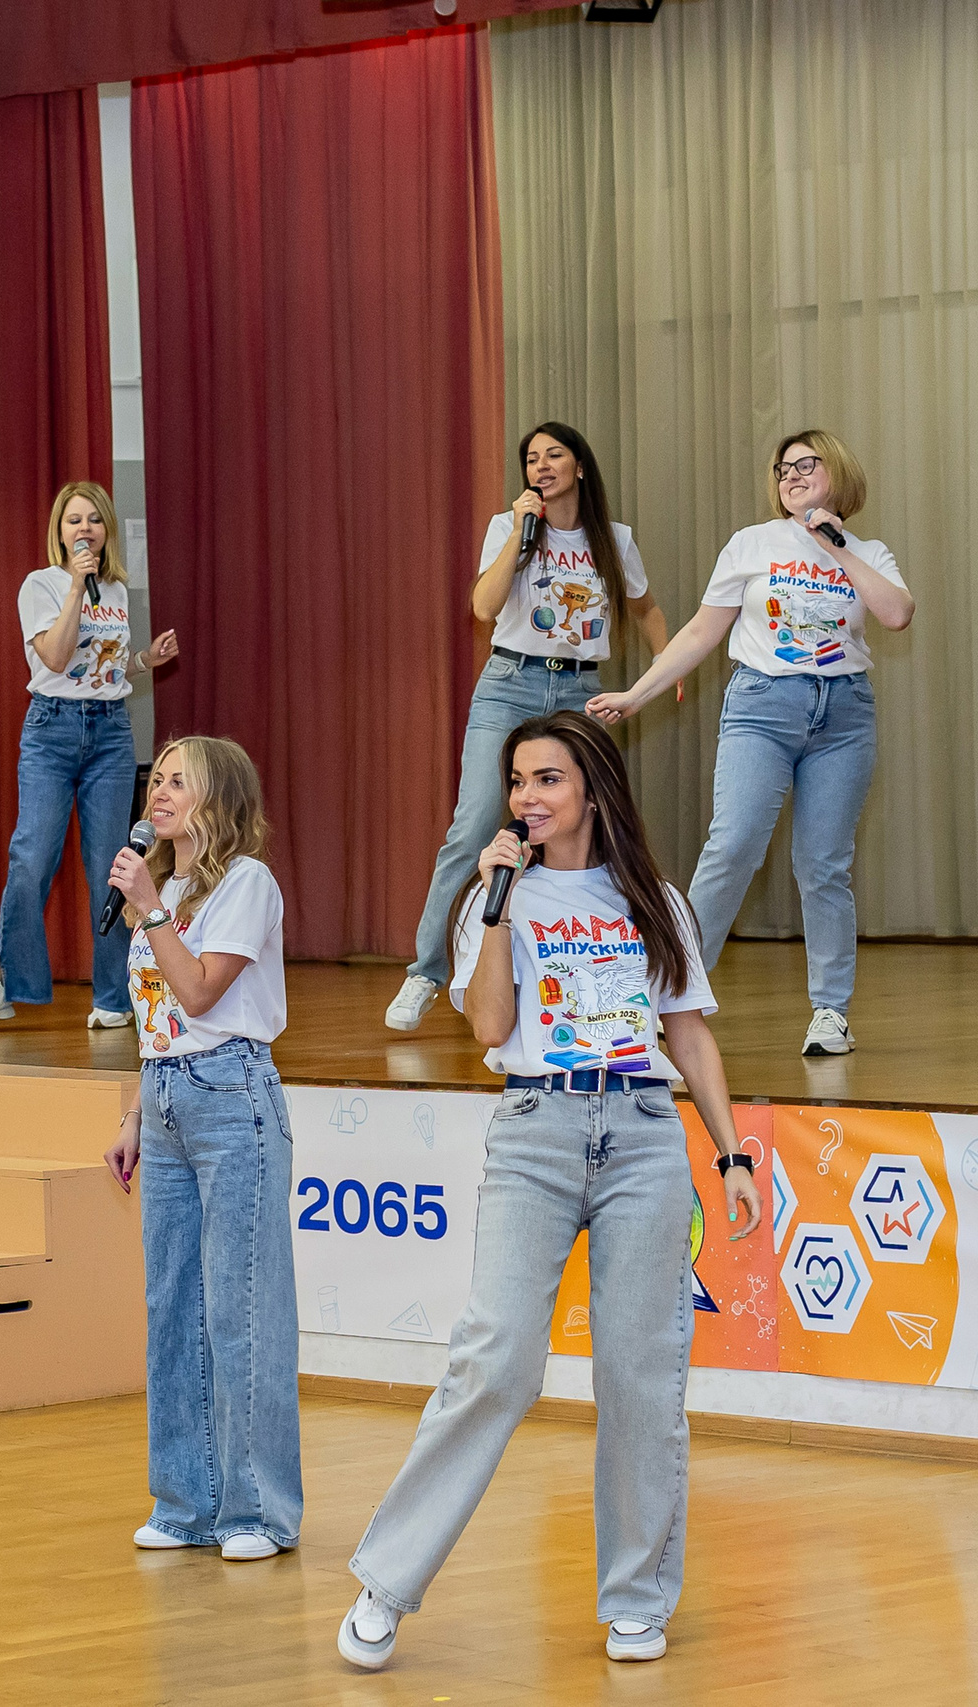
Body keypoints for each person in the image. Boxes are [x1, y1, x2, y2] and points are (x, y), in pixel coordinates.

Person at [337, 710, 764, 1672]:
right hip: (536, 1127)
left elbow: (689, 1032)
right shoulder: (495, 899)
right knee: (496, 1359)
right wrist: (495, 908)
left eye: (548, 779)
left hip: (644, 1132)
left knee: (641, 1373)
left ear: (593, 789)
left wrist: (732, 1154)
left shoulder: (653, 899)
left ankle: (637, 1596)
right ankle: (388, 1581)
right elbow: (490, 1027)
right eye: (519, 780)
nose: (527, 797)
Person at [587, 429, 914, 1056]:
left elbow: (897, 614)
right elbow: (700, 632)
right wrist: (636, 695)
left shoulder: (868, 552)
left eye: (806, 464)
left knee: (824, 865)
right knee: (733, 845)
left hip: (844, 714)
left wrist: (836, 546)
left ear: (838, 470)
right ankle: (671, 992)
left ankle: (831, 1013)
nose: (791, 476)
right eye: (783, 469)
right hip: (763, 705)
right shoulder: (752, 543)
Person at [389, 423, 671, 1034]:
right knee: (474, 826)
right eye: (531, 458)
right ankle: (426, 971)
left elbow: (645, 607)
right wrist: (521, 531)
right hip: (509, 681)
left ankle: (621, 981)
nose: (541, 466)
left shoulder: (614, 540)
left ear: (580, 466)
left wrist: (664, 667)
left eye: (554, 455)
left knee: (596, 825)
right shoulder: (509, 527)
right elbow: (484, 607)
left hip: (580, 688)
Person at [98, 736, 297, 1561]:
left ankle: (257, 1510)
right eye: (157, 778)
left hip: (231, 1091)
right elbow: (158, 1016)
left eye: (180, 780)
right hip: (167, 1093)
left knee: (239, 1306)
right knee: (172, 1303)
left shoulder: (246, 882)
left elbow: (202, 991)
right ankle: (185, 1500)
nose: (160, 790)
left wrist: (150, 909)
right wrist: (135, 1112)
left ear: (219, 797)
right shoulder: (165, 885)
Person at [0, 482, 179, 1032]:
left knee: (112, 865)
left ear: (107, 530)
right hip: (51, 731)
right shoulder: (41, 584)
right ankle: (5, 981)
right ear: (59, 532)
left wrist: (144, 659)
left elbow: (105, 665)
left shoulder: (117, 588)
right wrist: (76, 587)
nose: (85, 528)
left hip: (110, 732)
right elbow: (57, 658)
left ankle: (114, 997)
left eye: (95, 520)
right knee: (32, 857)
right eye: (73, 520)